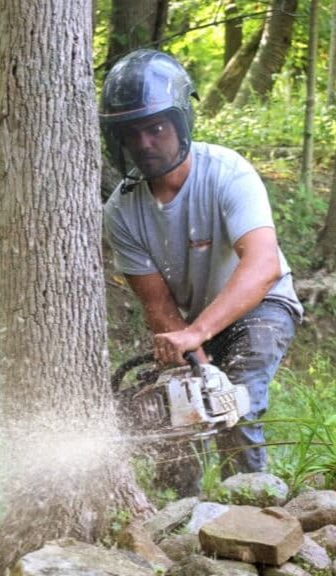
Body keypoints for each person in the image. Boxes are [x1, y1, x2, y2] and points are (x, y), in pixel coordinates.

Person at [100, 49, 303, 489]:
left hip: (262, 305)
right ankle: (179, 517)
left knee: (237, 401)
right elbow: (156, 302)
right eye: (132, 134)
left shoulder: (228, 173)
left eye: (155, 128)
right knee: (177, 408)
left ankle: (251, 511)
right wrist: (193, 359)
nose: (145, 143)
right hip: (191, 321)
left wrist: (197, 335)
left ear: (180, 122)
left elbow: (263, 263)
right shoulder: (121, 211)